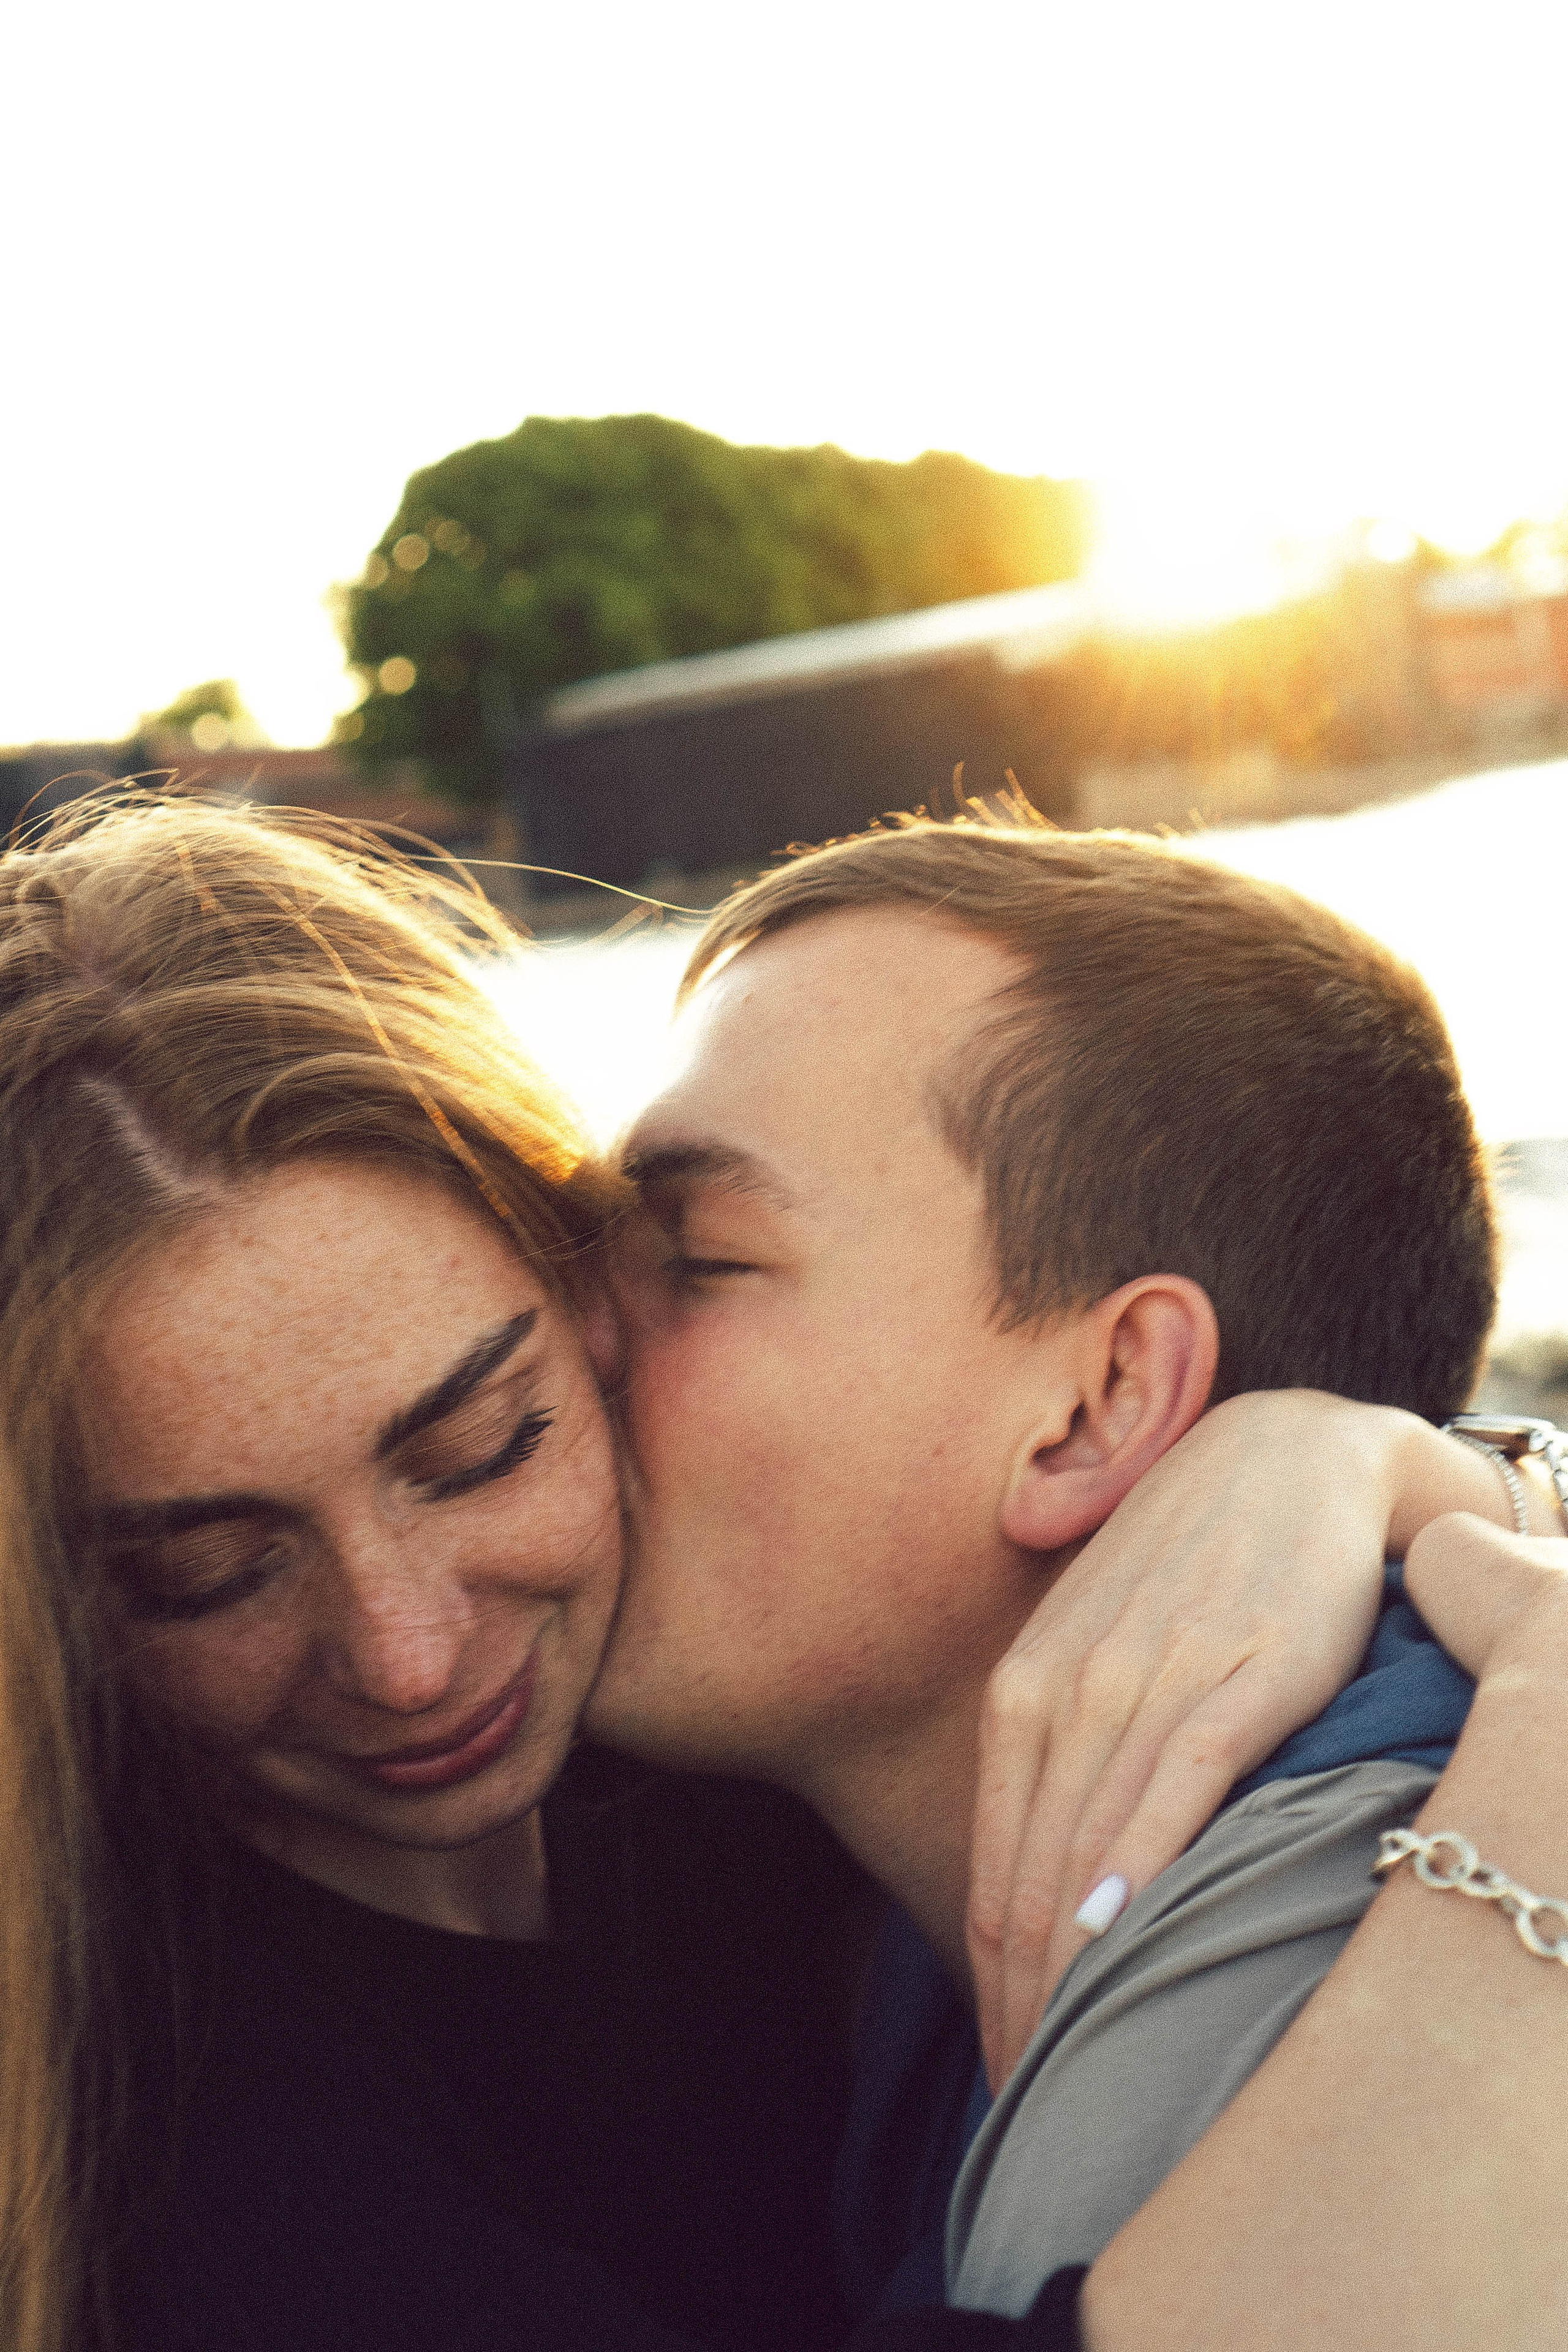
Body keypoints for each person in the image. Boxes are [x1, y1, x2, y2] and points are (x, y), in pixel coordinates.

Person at [0, 788, 1550, 2352]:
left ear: (1095, 1403)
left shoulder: (846, 1807)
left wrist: (1391, 1456)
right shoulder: (170, 2132)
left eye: (488, 1440)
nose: (412, 1656)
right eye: (201, 1572)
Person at [590, 813, 1564, 2324]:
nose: (564, 1332)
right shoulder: (845, 1892)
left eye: (696, 1253)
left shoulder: (1310, 1985)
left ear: (1097, 1405)